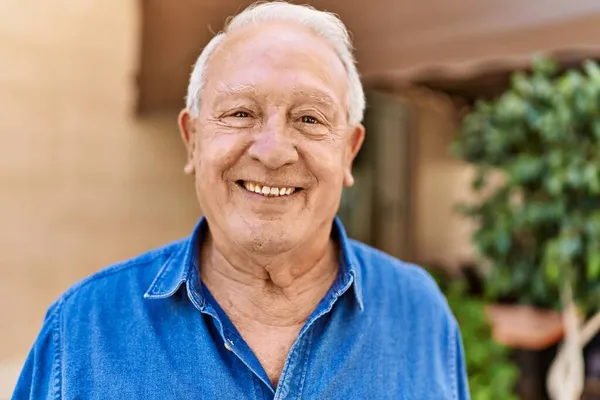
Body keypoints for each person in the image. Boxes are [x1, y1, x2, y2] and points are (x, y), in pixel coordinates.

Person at [13, 2, 469, 399]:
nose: (272, 151)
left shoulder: (420, 312)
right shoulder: (83, 329)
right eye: (240, 113)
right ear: (192, 140)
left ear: (349, 150)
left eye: (309, 118)